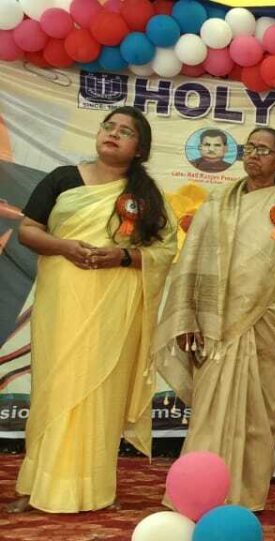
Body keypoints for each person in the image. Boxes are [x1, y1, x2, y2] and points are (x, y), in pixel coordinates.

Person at [9, 106, 177, 513]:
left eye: (126, 132)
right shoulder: (63, 178)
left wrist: (121, 257)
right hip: (63, 300)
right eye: (109, 127)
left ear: (140, 149)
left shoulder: (146, 196)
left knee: (102, 390)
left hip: (114, 309)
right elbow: (28, 230)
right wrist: (65, 247)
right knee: (56, 386)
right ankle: (38, 485)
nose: (113, 134)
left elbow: (166, 250)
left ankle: (96, 487)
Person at [154, 127, 275, 511]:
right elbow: (194, 263)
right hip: (215, 325)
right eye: (250, 148)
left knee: (259, 413)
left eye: (264, 150)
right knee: (209, 410)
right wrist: (189, 317)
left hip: (270, 320)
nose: (254, 155)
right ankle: (199, 491)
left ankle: (246, 496)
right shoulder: (219, 202)